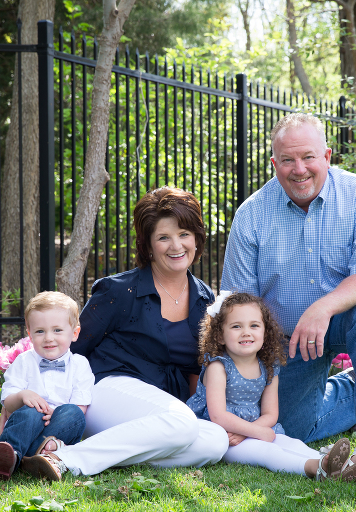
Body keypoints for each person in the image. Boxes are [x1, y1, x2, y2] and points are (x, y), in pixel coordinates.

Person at [221, 113, 356, 472]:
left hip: (349, 318)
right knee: (291, 428)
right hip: (288, 340)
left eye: (308, 157)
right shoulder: (251, 216)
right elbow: (238, 306)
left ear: (327, 156)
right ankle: (355, 390)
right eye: (287, 160)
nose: (299, 169)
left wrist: (320, 310)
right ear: (274, 164)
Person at [21, 187, 228, 479]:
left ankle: (94, 454)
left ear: (197, 238)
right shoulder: (119, 290)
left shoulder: (204, 299)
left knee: (214, 442)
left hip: (157, 409)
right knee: (182, 423)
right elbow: (71, 350)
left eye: (184, 234)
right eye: (163, 237)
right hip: (105, 391)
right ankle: (64, 458)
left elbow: (197, 370)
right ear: (148, 245)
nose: (176, 245)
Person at [187, 291, 356, 480]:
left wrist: (250, 431)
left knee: (291, 443)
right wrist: (255, 432)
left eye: (254, 325)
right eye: (236, 326)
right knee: (267, 451)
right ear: (220, 335)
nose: (246, 332)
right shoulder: (218, 367)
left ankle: (345, 465)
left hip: (249, 431)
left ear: (265, 331)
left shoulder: (268, 367)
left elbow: (270, 414)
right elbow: (218, 416)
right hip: (224, 437)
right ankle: (317, 469)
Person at [0, 291, 95, 480]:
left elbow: (81, 405)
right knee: (32, 411)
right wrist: (22, 396)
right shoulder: (23, 362)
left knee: (74, 414)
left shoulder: (80, 365)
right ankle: (11, 453)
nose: (48, 338)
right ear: (29, 334)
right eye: (40, 331)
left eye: (57, 330)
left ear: (75, 333)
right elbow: (8, 403)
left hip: (59, 424)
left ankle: (27, 455)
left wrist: (56, 415)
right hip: (27, 424)